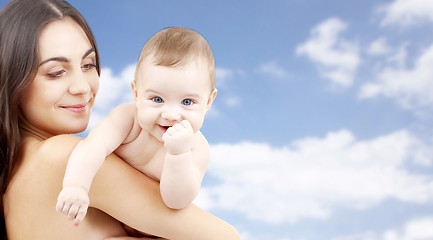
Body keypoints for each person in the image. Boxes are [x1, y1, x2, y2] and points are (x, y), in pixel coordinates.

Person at [0, 0, 240, 239]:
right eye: (56, 73)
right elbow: (224, 236)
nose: (83, 87)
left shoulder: (12, 177)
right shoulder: (63, 157)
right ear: (11, 80)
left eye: (88, 64)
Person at [56, 27, 218, 226]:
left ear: (209, 101)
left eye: (187, 102)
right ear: (136, 94)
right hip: (103, 217)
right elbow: (92, 146)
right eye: (157, 99)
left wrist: (178, 155)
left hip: (151, 229)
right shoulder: (128, 120)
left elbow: (176, 202)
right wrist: (76, 186)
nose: (170, 115)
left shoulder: (196, 148)